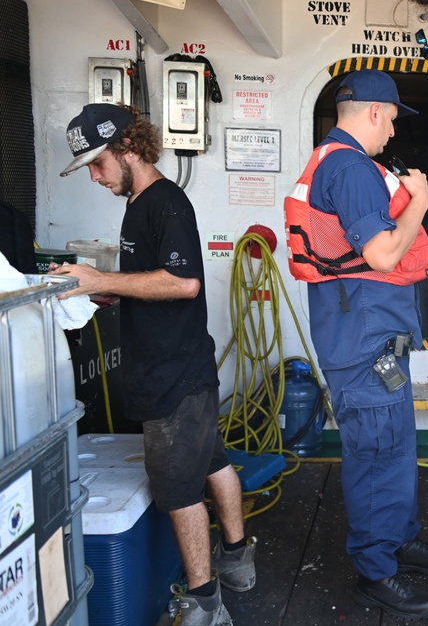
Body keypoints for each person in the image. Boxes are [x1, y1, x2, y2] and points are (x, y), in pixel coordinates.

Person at [54, 104, 255, 626]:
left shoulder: (164, 203)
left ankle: (206, 601)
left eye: (98, 164)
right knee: (212, 461)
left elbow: (184, 282)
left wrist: (99, 280)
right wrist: (114, 295)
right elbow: (156, 281)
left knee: (177, 490)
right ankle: (237, 560)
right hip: (186, 369)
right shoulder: (140, 203)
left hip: (172, 377)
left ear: (127, 149)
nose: (95, 177)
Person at [286, 69, 428, 620]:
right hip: (362, 339)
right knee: (375, 448)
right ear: (375, 113)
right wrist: (420, 201)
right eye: (391, 122)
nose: (391, 136)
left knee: (395, 441)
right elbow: (384, 254)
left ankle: (399, 538)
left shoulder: (336, 162)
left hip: (373, 334)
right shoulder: (351, 167)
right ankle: (375, 570)